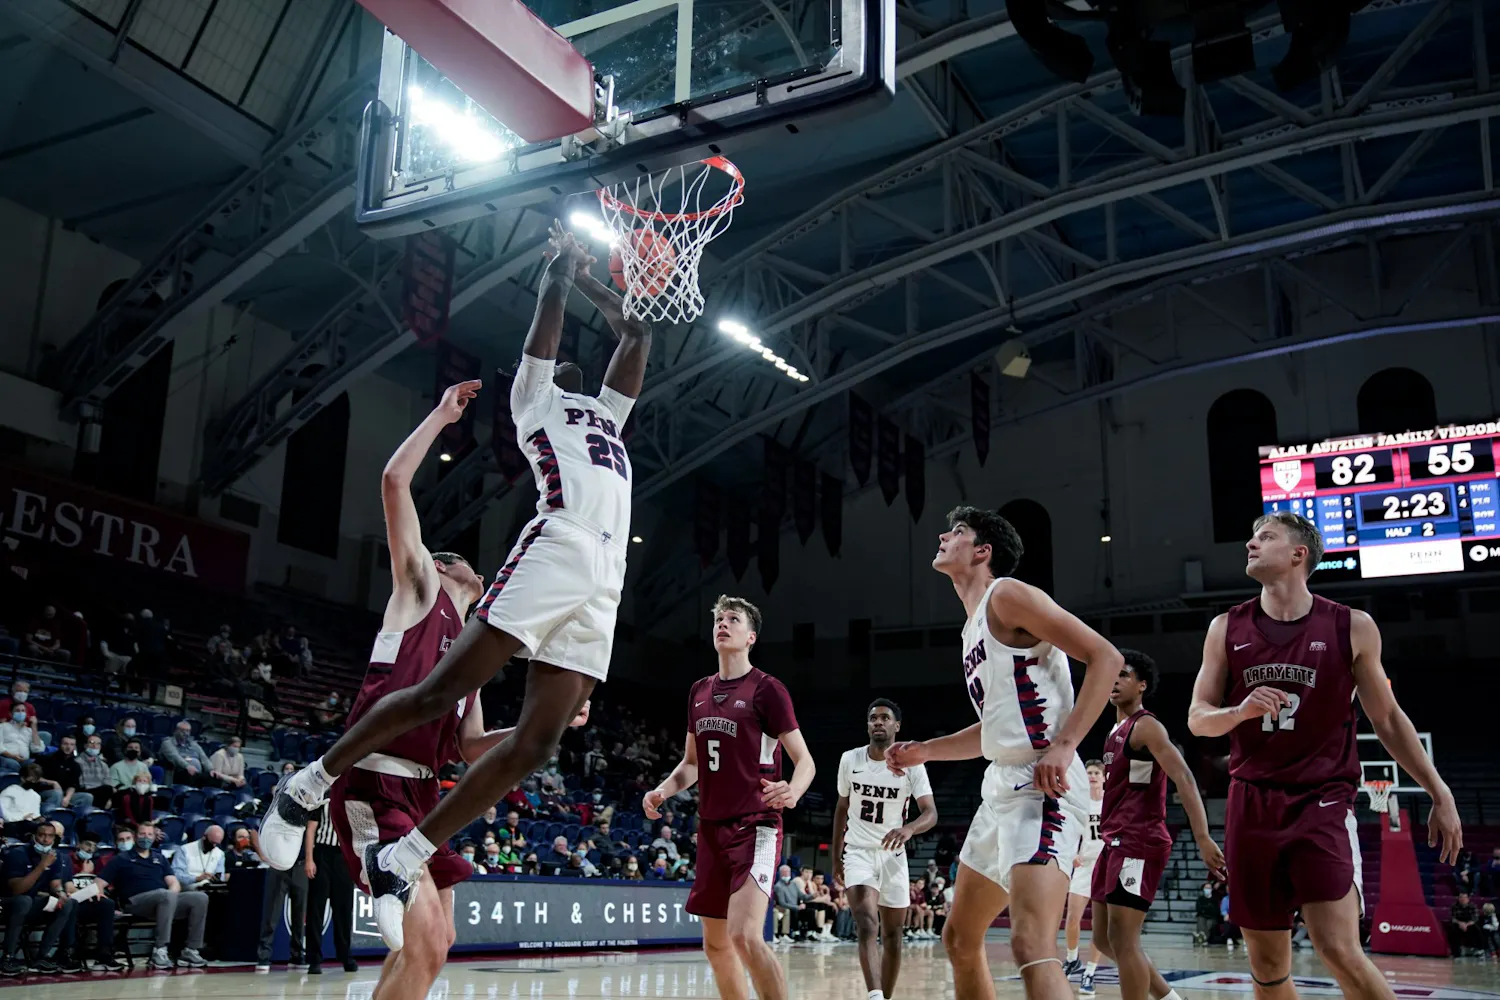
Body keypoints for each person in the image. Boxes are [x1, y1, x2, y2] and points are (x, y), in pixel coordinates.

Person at [262, 224, 648, 942]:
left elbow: (636, 333)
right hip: (560, 541)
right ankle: (306, 786)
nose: (563, 364)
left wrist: (601, 279)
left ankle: (406, 855)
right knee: (439, 690)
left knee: (537, 746)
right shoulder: (535, 400)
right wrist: (561, 274)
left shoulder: (609, 417)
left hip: (607, 579)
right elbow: (548, 330)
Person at [267, 378, 589, 1000]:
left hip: (425, 799)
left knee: (437, 945)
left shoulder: (473, 652)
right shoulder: (419, 589)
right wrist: (441, 417)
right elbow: (394, 482)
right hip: (374, 781)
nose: (475, 566)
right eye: (462, 558)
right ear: (443, 566)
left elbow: (471, 747)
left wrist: (539, 727)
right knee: (424, 942)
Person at [1188, 510, 1462, 1000]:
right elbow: (1197, 718)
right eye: (1252, 537)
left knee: (1338, 947)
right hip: (1251, 802)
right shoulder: (1225, 627)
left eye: (1265, 537)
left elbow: (1388, 719)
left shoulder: (1351, 626)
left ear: (1299, 554)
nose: (1251, 544)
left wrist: (1439, 792)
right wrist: (1239, 711)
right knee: (1267, 966)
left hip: (1322, 800)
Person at [886, 506, 1120, 1000]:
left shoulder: (1007, 594)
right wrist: (925, 751)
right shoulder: (971, 627)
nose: (943, 536)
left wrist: (1065, 744)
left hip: (1043, 785)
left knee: (1031, 942)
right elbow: (996, 728)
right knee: (959, 937)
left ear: (982, 551)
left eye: (958, 532)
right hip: (1001, 784)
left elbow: (1106, 657)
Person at [645, 595, 815, 1000]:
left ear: (751, 636)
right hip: (710, 828)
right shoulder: (699, 691)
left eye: (733, 619)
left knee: (745, 936)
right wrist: (663, 790)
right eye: (719, 619)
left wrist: (793, 790)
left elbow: (805, 760)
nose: (723, 624)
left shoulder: (767, 689)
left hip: (756, 825)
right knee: (716, 945)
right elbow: (691, 764)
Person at [1084, 649, 1223, 1000]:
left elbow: (1184, 778)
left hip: (1138, 840)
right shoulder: (1114, 731)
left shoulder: (1146, 726)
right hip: (1114, 840)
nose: (1115, 680)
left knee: (1124, 940)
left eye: (1124, 674)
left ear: (1142, 685)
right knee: (1103, 939)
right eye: (1113, 674)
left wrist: (1203, 836)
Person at [832, 697, 937, 1000]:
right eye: (873, 718)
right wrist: (836, 857)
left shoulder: (911, 764)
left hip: (893, 856)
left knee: (893, 936)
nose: (878, 722)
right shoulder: (850, 760)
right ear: (868, 725)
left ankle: (886, 997)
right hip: (858, 851)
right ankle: (875, 996)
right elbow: (841, 808)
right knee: (867, 923)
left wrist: (909, 828)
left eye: (885, 718)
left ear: (897, 726)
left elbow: (930, 813)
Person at [96, 821, 208, 970]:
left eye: (150, 834)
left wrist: (172, 897)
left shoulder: (159, 858)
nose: (146, 837)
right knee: (165, 895)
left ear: (155, 837)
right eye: (142, 834)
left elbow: (174, 883)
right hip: (135, 902)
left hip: (164, 901)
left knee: (200, 898)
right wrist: (102, 897)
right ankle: (159, 950)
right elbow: (99, 883)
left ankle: (191, 950)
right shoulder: (121, 859)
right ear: (135, 836)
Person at [1, 820, 77, 974]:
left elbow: (55, 883)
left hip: (31, 904)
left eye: (50, 836)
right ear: (34, 836)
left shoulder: (54, 856)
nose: (45, 839)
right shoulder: (18, 854)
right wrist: (42, 866)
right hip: (9, 904)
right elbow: (17, 889)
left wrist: (60, 893)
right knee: (24, 901)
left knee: (68, 903)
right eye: (42, 835)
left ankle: (42, 957)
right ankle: (7, 958)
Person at [1062, 760, 1105, 977]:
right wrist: (1072, 854)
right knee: (1072, 919)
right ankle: (1072, 959)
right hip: (1084, 866)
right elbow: (1069, 831)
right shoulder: (1080, 802)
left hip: (1105, 868)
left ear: (1104, 777)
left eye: (1097, 773)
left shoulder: (1111, 803)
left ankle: (1090, 972)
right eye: (1089, 773)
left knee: (1099, 925)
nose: (1092, 776)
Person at [305, 803, 358, 974]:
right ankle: (314, 959)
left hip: (344, 856)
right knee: (316, 908)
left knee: (344, 909)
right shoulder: (323, 799)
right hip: (322, 853)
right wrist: (309, 859)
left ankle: (345, 955)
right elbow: (311, 829)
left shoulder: (354, 801)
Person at [60, 836, 124, 972]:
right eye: (88, 844)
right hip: (70, 902)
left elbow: (102, 885)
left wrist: (98, 892)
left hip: (88, 903)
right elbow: (67, 888)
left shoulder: (96, 863)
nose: (90, 849)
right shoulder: (66, 860)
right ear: (78, 845)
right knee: (71, 905)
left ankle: (104, 953)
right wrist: (84, 873)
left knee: (107, 904)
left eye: (94, 846)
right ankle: (68, 953)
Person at [171, 824, 225, 890]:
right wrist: (196, 878)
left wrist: (216, 879)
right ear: (204, 837)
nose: (214, 846)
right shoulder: (185, 850)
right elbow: (177, 875)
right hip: (189, 887)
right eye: (212, 843)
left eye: (216, 844)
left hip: (210, 887)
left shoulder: (220, 854)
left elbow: (221, 876)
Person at [160, 721, 212, 786]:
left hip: (197, 772)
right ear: (176, 731)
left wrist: (211, 769)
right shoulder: (168, 743)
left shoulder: (193, 744)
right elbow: (175, 757)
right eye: (182, 731)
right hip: (179, 770)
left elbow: (204, 757)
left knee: (213, 777)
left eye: (188, 731)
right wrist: (187, 766)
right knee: (189, 775)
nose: (185, 733)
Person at [0, 764, 45, 836]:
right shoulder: (10, 791)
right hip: (12, 825)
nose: (33, 782)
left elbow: (35, 814)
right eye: (31, 779)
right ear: (23, 778)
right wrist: (22, 818)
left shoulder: (36, 796)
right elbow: (3, 813)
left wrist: (39, 819)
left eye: (36, 780)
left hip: (29, 826)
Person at [0, 706, 41, 776]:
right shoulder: (3, 726)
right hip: (6, 758)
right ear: (11, 714)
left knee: (35, 765)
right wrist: (13, 756)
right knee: (14, 765)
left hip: (24, 761)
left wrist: (34, 726)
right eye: (17, 711)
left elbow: (37, 749)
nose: (21, 713)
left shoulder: (29, 731)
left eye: (23, 711)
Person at [1450, 892, 1480, 956]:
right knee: (1452, 928)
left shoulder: (1473, 906)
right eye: (1461, 897)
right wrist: (1460, 923)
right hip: (1458, 924)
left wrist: (1466, 925)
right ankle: (1456, 951)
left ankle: (1477, 949)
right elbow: (1452, 918)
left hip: (1469, 924)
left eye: (1464, 897)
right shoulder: (1454, 906)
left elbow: (1475, 918)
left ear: (1468, 899)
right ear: (1458, 898)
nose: (1462, 899)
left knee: (1476, 928)